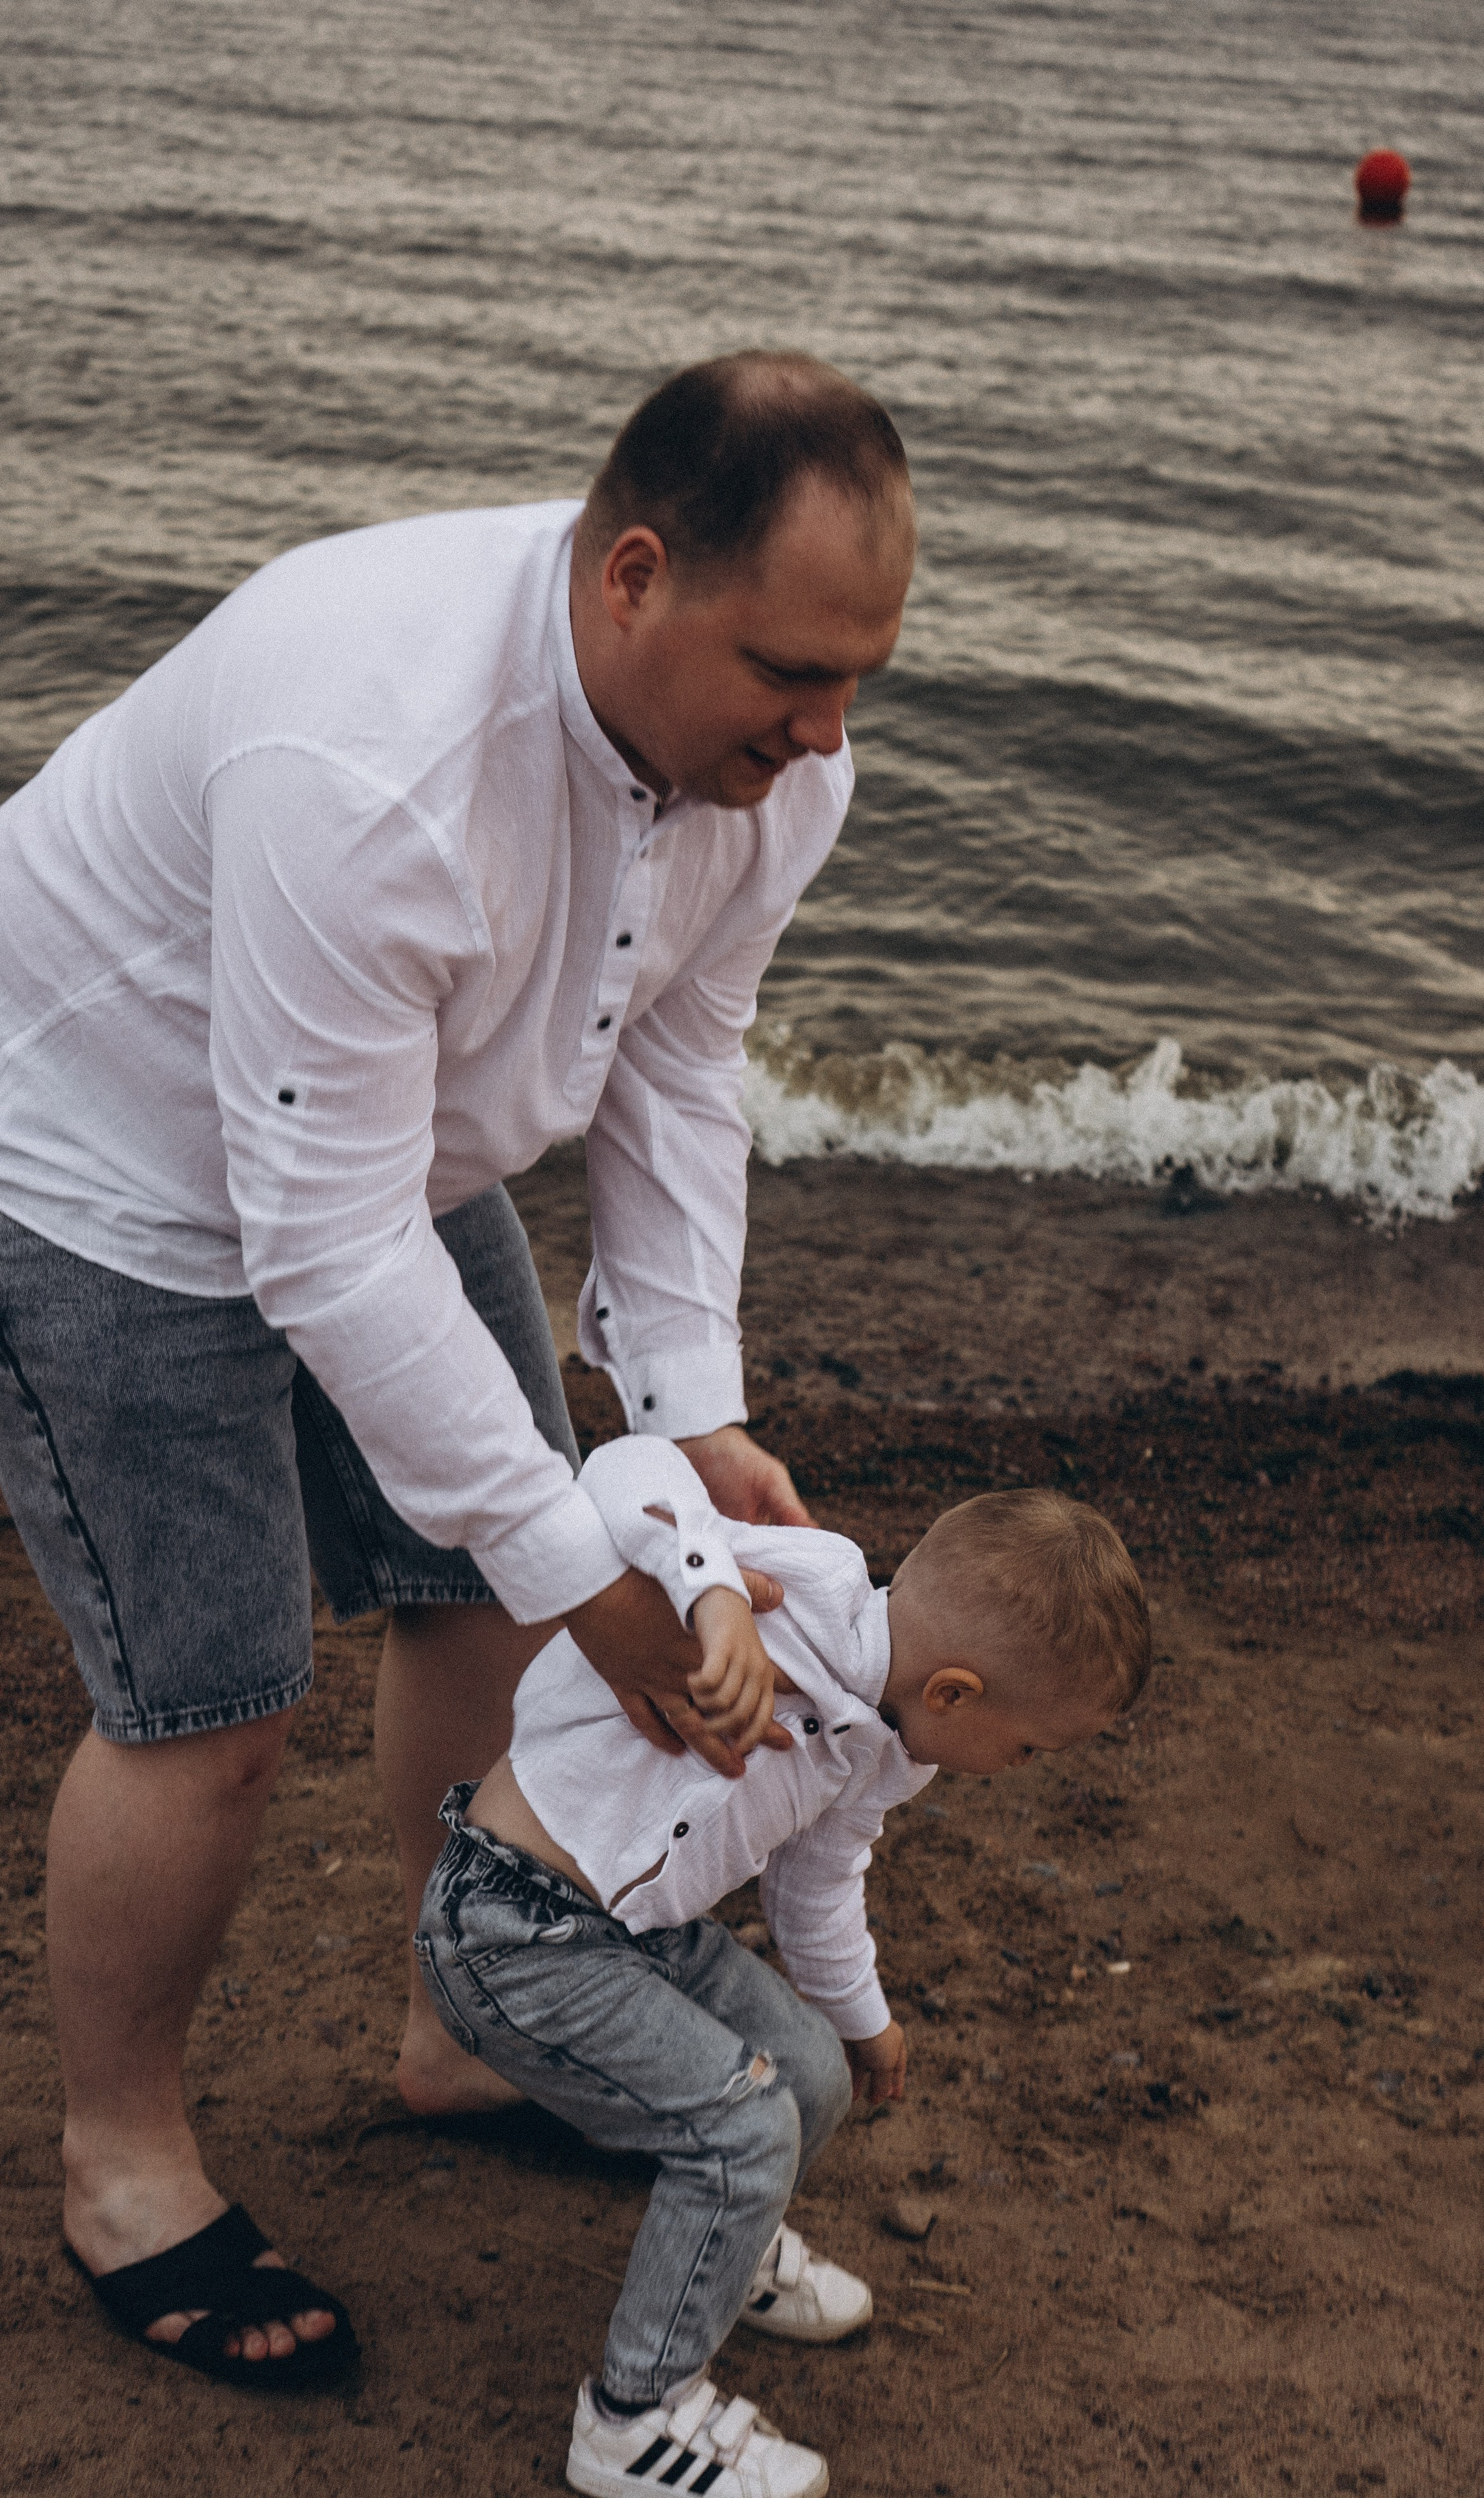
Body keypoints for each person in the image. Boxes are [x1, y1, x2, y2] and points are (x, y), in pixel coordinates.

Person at [0, 353, 916, 2382]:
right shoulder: (378, 754)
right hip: (96, 1151)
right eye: (789, 667)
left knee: (463, 1600)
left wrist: (688, 1422)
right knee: (216, 1697)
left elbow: (680, 1063)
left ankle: (466, 2028)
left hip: (381, 1139)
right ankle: (125, 2161)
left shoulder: (780, 769)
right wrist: (594, 1574)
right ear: (634, 579)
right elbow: (311, 1244)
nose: (831, 729)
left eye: (865, 675)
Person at [417, 1445, 1152, 2498]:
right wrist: (711, 1598)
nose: (1021, 1772)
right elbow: (620, 1473)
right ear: (956, 1689)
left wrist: (866, 2019)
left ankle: (727, 2242)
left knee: (808, 2074)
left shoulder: (891, 1751)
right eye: (1030, 1749)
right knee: (743, 2127)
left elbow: (815, 1886)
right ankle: (632, 2422)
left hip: (633, 1935)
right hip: (509, 1929)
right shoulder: (804, 1584)